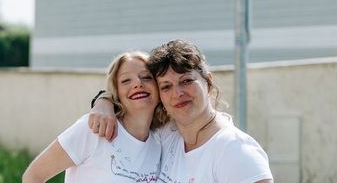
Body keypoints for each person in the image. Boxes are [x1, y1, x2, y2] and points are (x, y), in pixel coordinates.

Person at [90, 39, 273, 183]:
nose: (177, 93)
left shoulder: (235, 150)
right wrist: (103, 100)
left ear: (207, 82)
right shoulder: (167, 135)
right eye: (166, 86)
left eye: (186, 81)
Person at [22, 51, 163, 183]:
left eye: (146, 77)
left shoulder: (160, 142)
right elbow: (33, 175)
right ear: (116, 92)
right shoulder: (93, 129)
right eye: (126, 80)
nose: (138, 83)